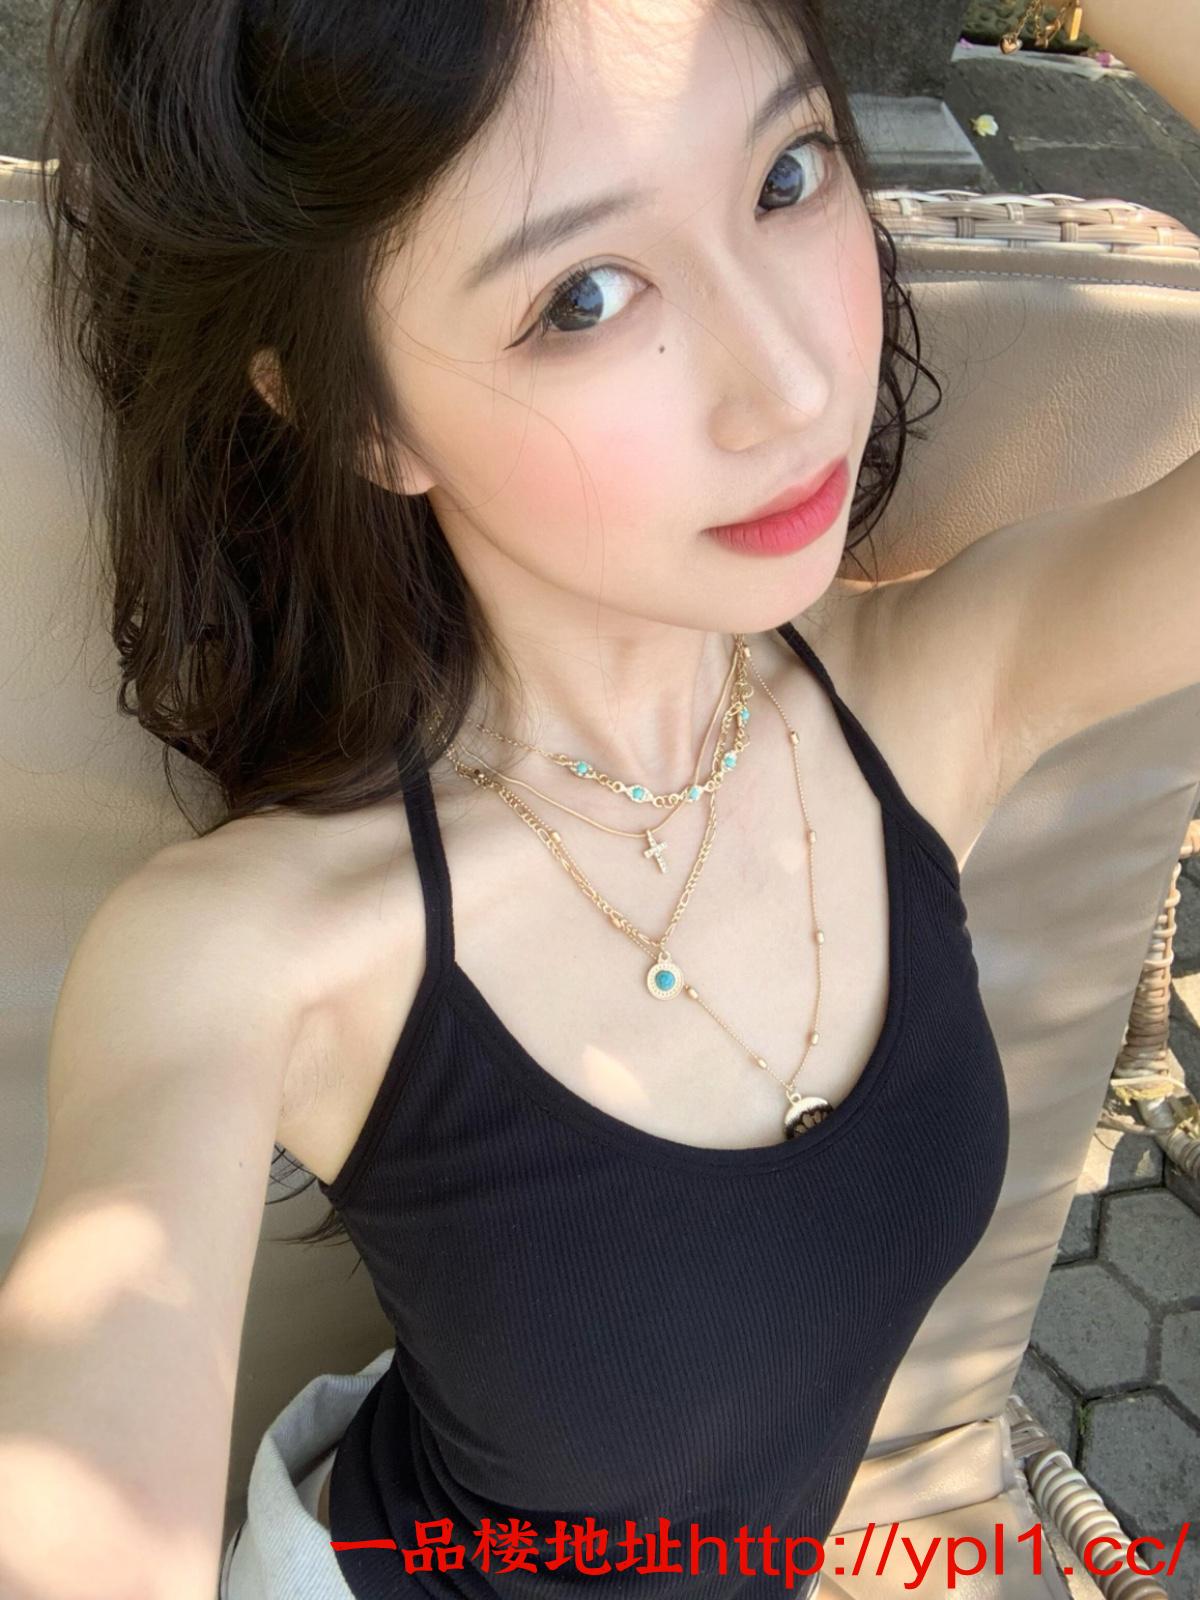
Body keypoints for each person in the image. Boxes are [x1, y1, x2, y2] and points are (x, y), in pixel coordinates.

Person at [2, 1, 1196, 1599]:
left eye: (787, 175)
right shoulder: (252, 956)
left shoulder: (935, 698)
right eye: (582, 296)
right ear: (359, 413)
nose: (789, 384)